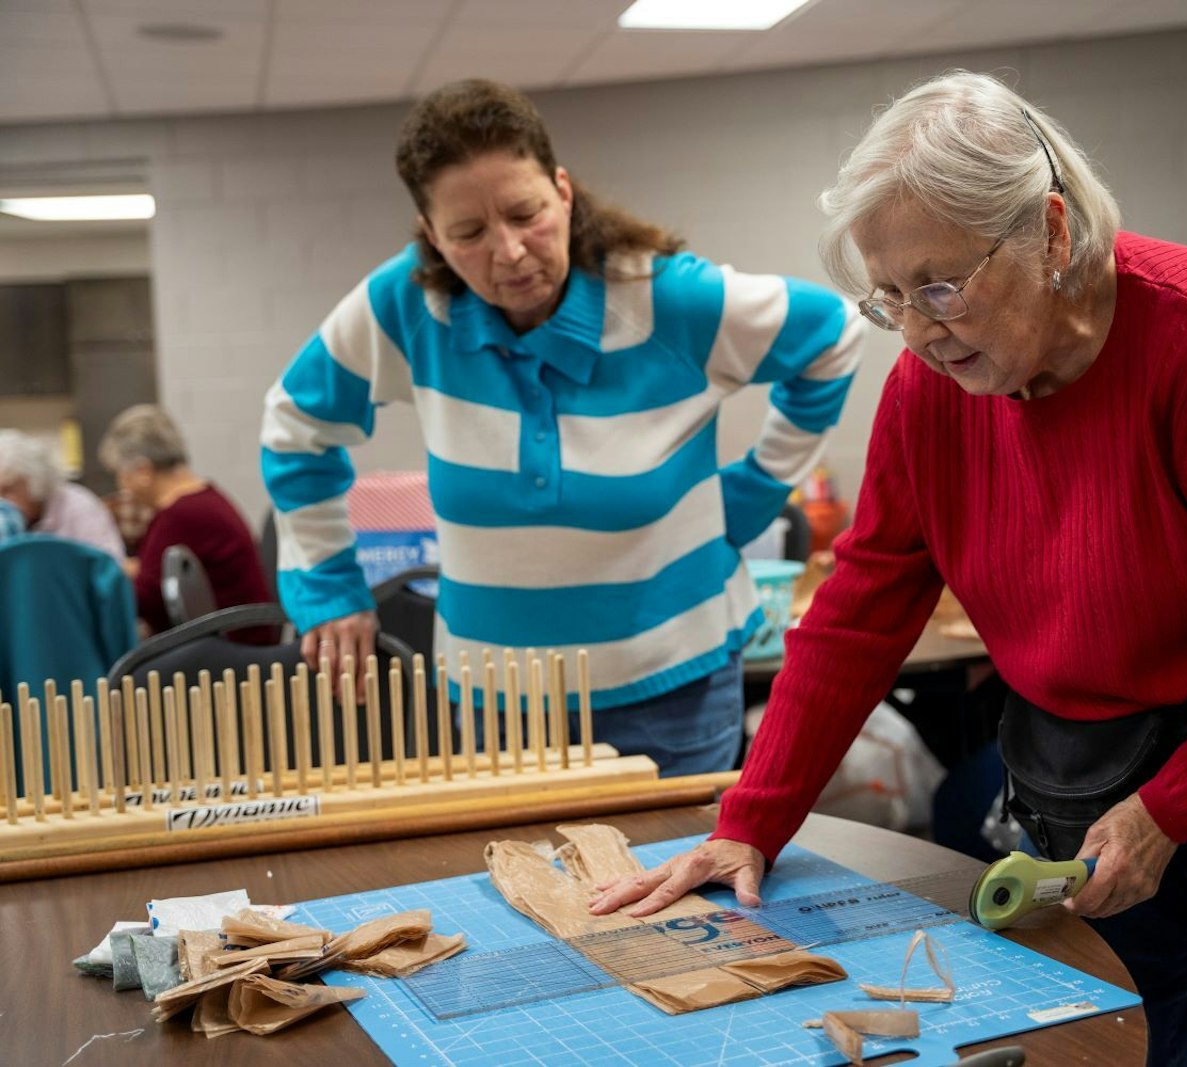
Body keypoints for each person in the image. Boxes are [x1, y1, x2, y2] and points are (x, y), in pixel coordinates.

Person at [591, 71, 1187, 1066]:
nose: (917, 329)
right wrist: (751, 820)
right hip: (1103, 767)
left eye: (940, 284)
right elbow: (860, 610)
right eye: (889, 298)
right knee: (1095, 1042)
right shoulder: (933, 391)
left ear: (1050, 232)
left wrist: (1170, 812)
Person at [261, 79, 862, 777]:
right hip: (497, 704)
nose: (511, 252)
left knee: (676, 886)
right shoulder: (408, 305)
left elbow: (833, 334)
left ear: (564, 192)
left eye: (526, 214)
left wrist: (756, 490)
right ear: (432, 237)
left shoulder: (665, 299)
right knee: (523, 885)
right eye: (469, 233)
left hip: (671, 693)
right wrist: (330, 586)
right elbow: (295, 423)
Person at [98, 404, 274, 639]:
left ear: (143, 472)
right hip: (244, 637)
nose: (122, 487)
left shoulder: (180, 516)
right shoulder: (204, 500)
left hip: (232, 650)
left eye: (121, 475)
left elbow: (146, 602)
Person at [0, 429, 125, 561]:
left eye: (8, 490)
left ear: (36, 481)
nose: (1, 499)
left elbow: (111, 563)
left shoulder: (79, 506)